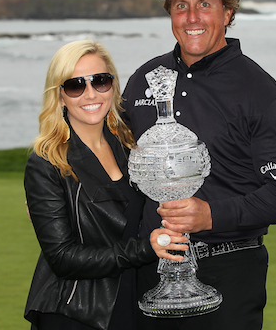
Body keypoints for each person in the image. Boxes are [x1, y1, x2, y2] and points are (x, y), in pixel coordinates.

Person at [121, 0, 276, 330]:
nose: (192, 18)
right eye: (181, 6)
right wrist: (61, 186)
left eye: (204, 4)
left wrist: (210, 215)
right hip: (149, 271)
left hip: (227, 274)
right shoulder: (145, 79)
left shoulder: (260, 92)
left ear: (227, 13)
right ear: (170, 14)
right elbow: (110, 156)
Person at [23, 40, 187, 330]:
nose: (90, 94)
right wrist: (145, 249)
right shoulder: (47, 160)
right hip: (76, 310)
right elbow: (62, 257)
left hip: (129, 300)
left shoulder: (127, 146)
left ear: (113, 86)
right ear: (60, 96)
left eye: (100, 81)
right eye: (75, 85)